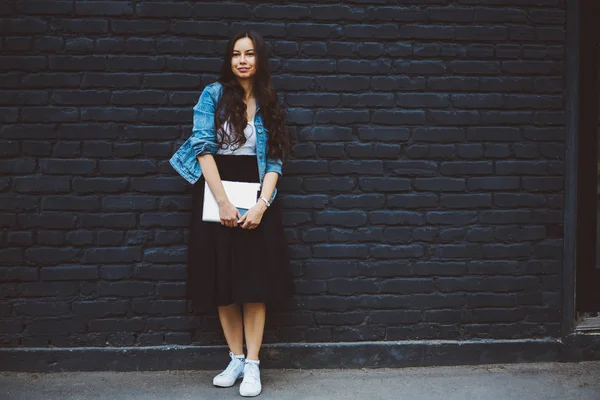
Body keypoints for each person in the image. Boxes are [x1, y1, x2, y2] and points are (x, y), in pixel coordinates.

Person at [169, 30, 295, 397]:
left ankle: (253, 365)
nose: (242, 60)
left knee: (254, 284)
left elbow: (275, 161)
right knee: (222, 283)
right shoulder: (213, 94)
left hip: (256, 197)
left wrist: (262, 204)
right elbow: (202, 148)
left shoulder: (270, 101)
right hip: (216, 194)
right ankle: (235, 358)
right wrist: (221, 201)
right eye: (236, 54)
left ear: (260, 60)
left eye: (250, 54)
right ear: (229, 60)